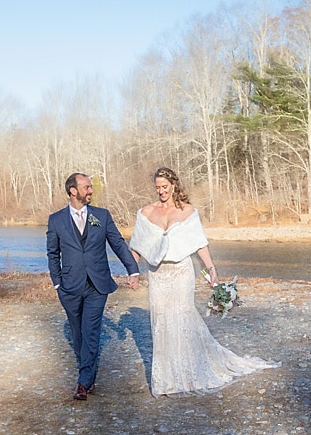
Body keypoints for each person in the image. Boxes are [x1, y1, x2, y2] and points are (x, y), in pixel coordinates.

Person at [129, 167, 278, 397]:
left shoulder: (188, 212)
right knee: (161, 322)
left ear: (174, 186)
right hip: (157, 274)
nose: (161, 191)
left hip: (181, 273)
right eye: (157, 187)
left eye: (165, 187)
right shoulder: (146, 212)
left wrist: (211, 270)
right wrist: (132, 272)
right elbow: (137, 246)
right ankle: (166, 380)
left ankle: (191, 374)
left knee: (181, 317)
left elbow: (200, 243)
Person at [47, 172, 140, 400]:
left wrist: (133, 269)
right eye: (86, 187)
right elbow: (52, 254)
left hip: (97, 284)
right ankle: (88, 373)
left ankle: (83, 382)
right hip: (69, 286)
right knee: (78, 332)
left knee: (91, 330)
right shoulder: (56, 220)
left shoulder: (102, 216)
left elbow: (118, 244)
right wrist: (58, 283)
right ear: (73, 191)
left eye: (90, 187)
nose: (90, 191)